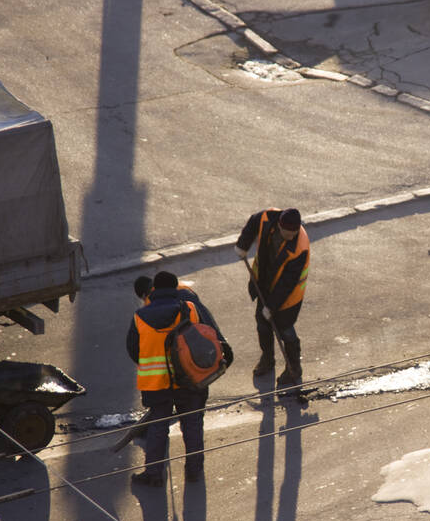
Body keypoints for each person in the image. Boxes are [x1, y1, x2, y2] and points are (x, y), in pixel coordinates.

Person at [126, 271, 233, 486]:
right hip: (190, 379)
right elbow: (207, 336)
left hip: (157, 383)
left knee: (158, 427)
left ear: (154, 290)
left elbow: (133, 349)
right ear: (176, 288)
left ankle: (154, 475)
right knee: (192, 423)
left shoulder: (139, 317)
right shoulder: (190, 310)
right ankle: (194, 471)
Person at [234, 208, 309, 386]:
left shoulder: (299, 248)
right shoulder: (267, 218)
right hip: (264, 282)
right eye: (287, 234)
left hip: (288, 297)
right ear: (279, 226)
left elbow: (287, 284)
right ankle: (267, 360)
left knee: (286, 331)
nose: (291, 237)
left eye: (294, 233)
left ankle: (294, 368)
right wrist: (242, 245)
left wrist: (272, 307)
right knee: (262, 324)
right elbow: (253, 222)